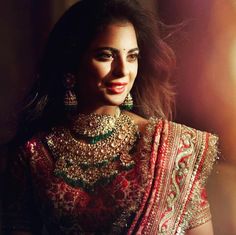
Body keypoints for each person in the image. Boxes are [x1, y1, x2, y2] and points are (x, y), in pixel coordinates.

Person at [2, 0, 218, 234]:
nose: (123, 71)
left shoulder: (172, 147)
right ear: (71, 64)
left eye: (132, 56)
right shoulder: (33, 156)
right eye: (106, 56)